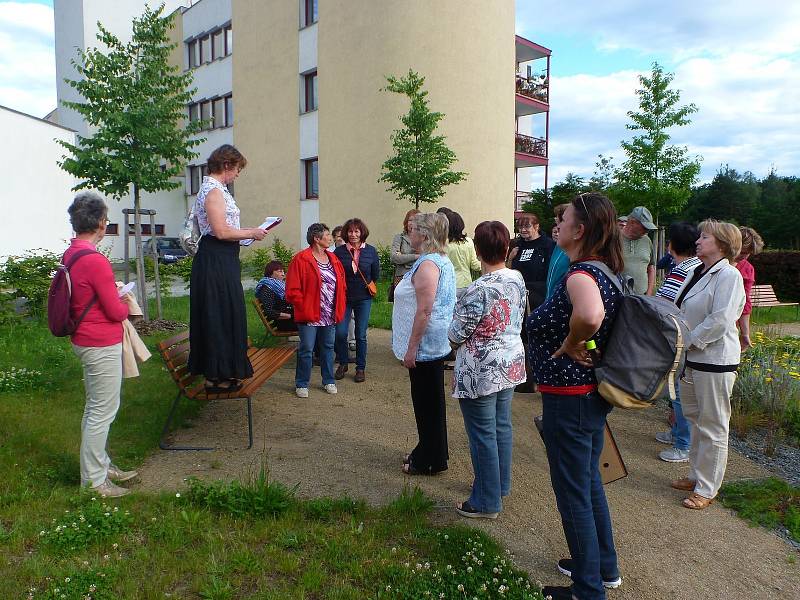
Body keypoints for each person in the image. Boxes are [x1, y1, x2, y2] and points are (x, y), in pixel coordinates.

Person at [528, 192, 624, 600]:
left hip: (570, 398)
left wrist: (570, 341)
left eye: (564, 218)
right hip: (587, 396)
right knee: (588, 483)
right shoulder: (602, 270)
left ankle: (587, 590)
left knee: (573, 493)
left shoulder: (580, 274)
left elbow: (589, 316)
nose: (558, 224)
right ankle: (602, 567)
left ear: (580, 230)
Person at [448, 221, 527, 519]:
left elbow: (457, 334)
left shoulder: (477, 289)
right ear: (506, 248)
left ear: (477, 250)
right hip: (510, 362)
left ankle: (486, 501)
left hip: (481, 370)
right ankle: (499, 486)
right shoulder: (516, 278)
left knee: (482, 434)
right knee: (501, 427)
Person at [66, 192, 137, 498]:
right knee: (101, 412)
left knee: (94, 408)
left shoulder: (72, 253)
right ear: (98, 223)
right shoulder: (95, 260)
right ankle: (94, 483)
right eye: (106, 219)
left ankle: (101, 465)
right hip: (100, 342)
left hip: (84, 337)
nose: (106, 223)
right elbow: (115, 311)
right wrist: (123, 299)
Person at [671, 220, 745, 510]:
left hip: (715, 360)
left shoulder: (729, 275)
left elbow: (721, 319)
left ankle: (707, 487)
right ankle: (696, 475)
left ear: (722, 244)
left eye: (705, 237)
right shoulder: (699, 272)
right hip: (694, 359)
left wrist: (688, 340)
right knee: (694, 419)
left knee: (713, 425)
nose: (698, 241)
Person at [188, 145, 269, 393]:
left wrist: (247, 235)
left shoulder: (218, 190)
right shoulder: (213, 191)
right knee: (218, 315)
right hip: (215, 261)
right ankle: (216, 375)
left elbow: (224, 230)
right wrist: (251, 232)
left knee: (224, 314)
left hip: (222, 258)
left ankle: (223, 372)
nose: (237, 174)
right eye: (237, 169)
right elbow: (221, 231)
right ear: (226, 165)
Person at [392, 212, 456, 475]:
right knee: (431, 402)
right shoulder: (438, 260)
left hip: (426, 345)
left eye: (414, 229)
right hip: (432, 342)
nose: (410, 233)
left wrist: (411, 348)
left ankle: (429, 460)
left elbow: (425, 311)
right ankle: (432, 451)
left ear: (426, 235)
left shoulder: (429, 265)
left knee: (426, 403)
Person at [653, 222, 702, 463]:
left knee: (680, 391)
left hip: (679, 336)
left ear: (671, 245)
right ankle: (676, 434)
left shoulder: (683, 269)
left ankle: (683, 444)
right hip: (687, 334)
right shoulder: (696, 266)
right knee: (677, 388)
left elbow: (665, 302)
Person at [286, 223, 347, 397]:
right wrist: (303, 305)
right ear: (317, 238)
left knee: (328, 347)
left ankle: (328, 380)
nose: (331, 238)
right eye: (327, 235)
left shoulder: (333, 258)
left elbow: (341, 284)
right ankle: (302, 383)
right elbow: (292, 289)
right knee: (306, 348)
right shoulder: (301, 259)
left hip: (329, 313)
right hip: (309, 314)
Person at [333, 218, 380, 383]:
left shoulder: (371, 251)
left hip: (363, 298)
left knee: (360, 335)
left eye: (356, 231)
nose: (353, 235)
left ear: (362, 233)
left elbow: (375, 275)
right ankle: (343, 363)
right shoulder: (338, 253)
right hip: (344, 298)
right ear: (346, 233)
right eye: (350, 231)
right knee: (340, 333)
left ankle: (360, 368)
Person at [507, 212, 555, 309]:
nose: (523, 230)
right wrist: (510, 259)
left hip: (540, 296)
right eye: (520, 227)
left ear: (536, 227)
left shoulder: (548, 245)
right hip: (518, 295)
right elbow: (508, 270)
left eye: (527, 226)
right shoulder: (516, 244)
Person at [735, 227, 764, 350]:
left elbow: (745, 302)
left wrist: (745, 333)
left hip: (730, 323)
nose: (745, 256)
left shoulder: (747, 269)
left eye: (748, 253)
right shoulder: (712, 262)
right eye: (742, 252)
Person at [620, 206, 657, 295]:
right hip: (618, 298)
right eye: (644, 227)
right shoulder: (613, 239)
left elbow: (651, 267)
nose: (647, 231)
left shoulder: (647, 240)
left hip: (642, 298)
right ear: (632, 222)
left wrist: (649, 293)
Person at [445, 211, 481, 298]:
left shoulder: (444, 244)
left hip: (450, 284)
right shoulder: (468, 241)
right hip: (467, 283)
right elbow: (474, 264)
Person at [255, 260, 296, 332]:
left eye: (283, 271)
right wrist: (292, 316)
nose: (283, 274)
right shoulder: (267, 288)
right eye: (280, 271)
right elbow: (270, 312)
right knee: (313, 322)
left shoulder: (279, 285)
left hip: (290, 318)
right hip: (284, 323)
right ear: (271, 273)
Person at [390, 209, 421, 301]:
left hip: (418, 275)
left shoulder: (423, 238)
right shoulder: (399, 238)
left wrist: (403, 257)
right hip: (401, 276)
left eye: (416, 220)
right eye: (410, 220)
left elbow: (425, 256)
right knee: (401, 304)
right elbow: (394, 258)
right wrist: (416, 256)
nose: (412, 223)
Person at [545, 203, 570, 300]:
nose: (555, 219)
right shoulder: (558, 245)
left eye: (558, 217)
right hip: (550, 300)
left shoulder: (572, 248)